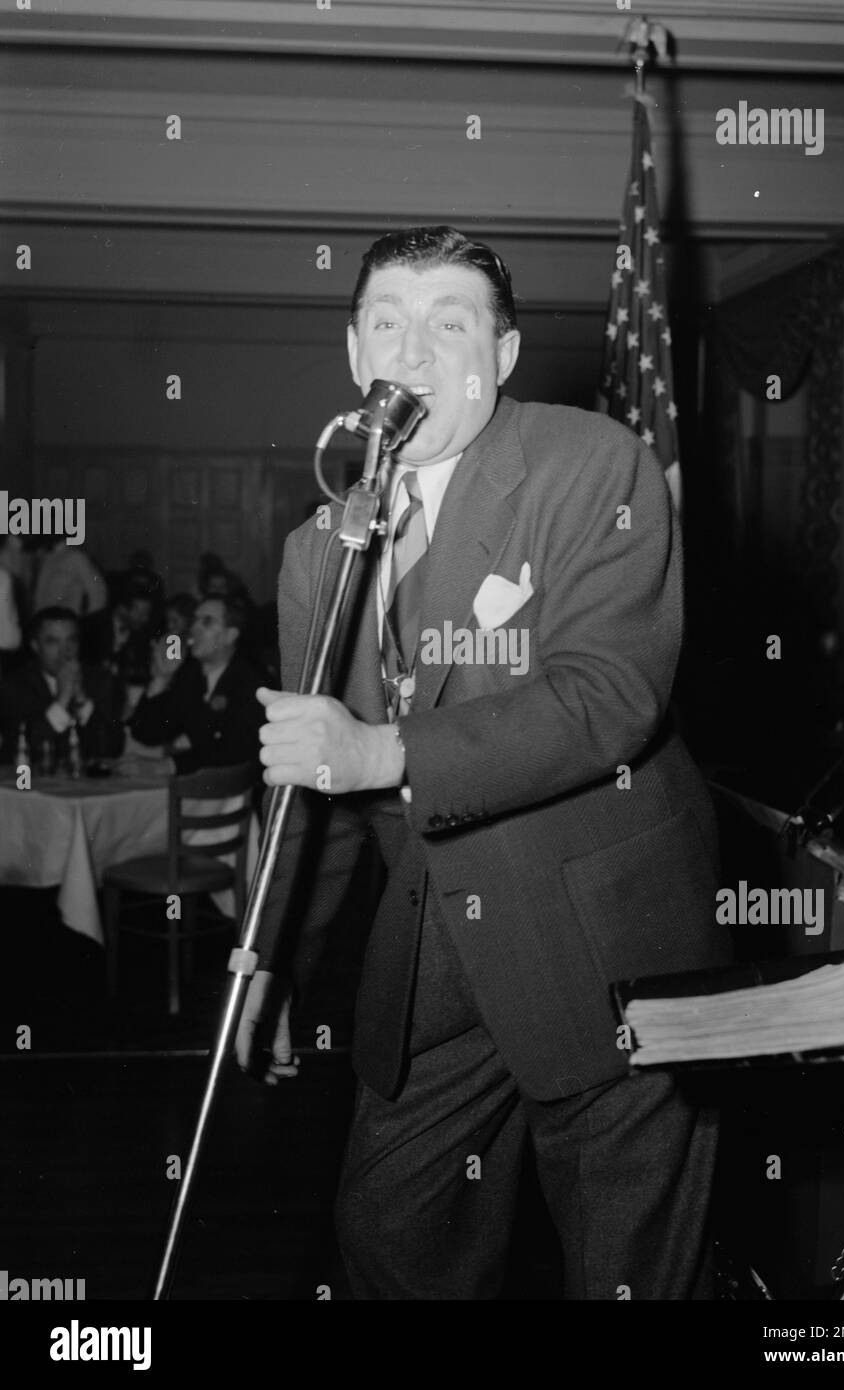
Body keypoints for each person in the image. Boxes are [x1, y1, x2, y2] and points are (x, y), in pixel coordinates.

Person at [236, 225, 730, 1300]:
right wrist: (269, 952)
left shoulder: (590, 461)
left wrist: (383, 750)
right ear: (353, 349)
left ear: (499, 357)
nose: (410, 354)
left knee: (627, 1274)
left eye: (447, 324)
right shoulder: (319, 547)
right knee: (390, 1241)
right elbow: (317, 778)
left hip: (612, 949)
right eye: (386, 324)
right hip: (434, 956)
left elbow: (609, 696)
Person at [128, 595, 262, 774]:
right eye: (194, 620)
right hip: (205, 785)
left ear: (230, 635)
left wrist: (169, 765)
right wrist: (160, 679)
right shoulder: (191, 675)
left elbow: (236, 751)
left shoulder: (251, 679)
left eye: (206, 622)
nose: (194, 628)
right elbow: (147, 734)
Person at [0, 606, 123, 766]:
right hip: (30, 784)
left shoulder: (99, 679)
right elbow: (21, 751)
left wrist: (82, 699)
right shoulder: (15, 684)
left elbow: (113, 748)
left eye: (71, 640)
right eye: (53, 642)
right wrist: (62, 701)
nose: (65, 651)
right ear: (35, 646)